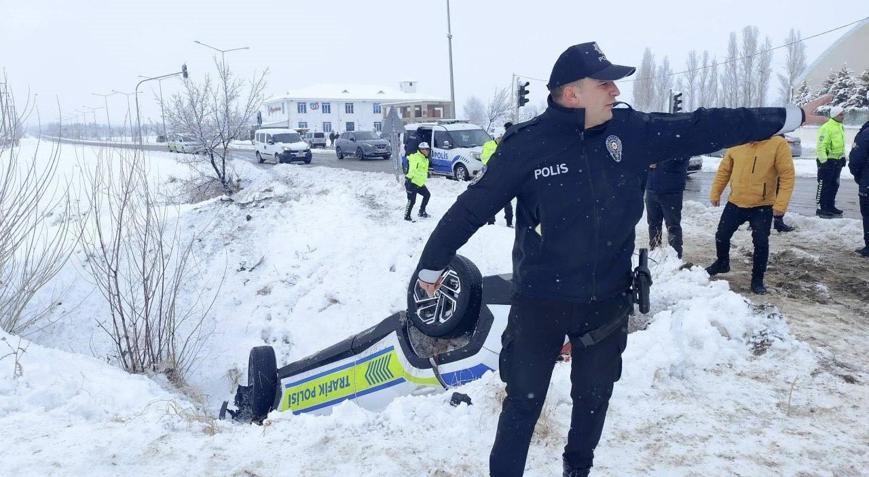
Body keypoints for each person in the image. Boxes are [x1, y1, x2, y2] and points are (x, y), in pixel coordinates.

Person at [411, 41, 827, 477]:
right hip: (540, 304)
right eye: (604, 82)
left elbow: (707, 125)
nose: (615, 90)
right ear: (572, 94)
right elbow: (472, 208)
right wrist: (432, 264)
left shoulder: (630, 132)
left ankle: (577, 470)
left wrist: (790, 116)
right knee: (522, 405)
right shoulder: (526, 145)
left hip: (606, 303)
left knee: (593, 401)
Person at [705, 136, 796, 295]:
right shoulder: (737, 142)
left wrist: (781, 204)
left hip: (762, 205)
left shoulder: (777, 144)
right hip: (735, 202)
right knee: (721, 235)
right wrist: (715, 193)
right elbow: (724, 171)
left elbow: (787, 176)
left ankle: (757, 279)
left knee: (761, 243)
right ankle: (722, 263)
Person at [645, 156, 689, 258]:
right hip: (651, 187)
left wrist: (659, 163)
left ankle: (675, 257)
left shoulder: (679, 140)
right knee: (653, 224)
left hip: (671, 189)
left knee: (672, 226)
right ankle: (655, 254)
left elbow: (683, 157)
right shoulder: (653, 140)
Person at [482, 122, 515, 227]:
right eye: (498, 137)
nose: (500, 139)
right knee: (491, 200)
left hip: (505, 177)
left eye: (501, 137)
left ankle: (509, 222)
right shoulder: (488, 145)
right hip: (492, 177)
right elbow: (484, 159)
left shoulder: (507, 144)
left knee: (507, 202)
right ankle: (491, 221)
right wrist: (496, 159)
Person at [816, 106, 847, 218]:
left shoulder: (840, 127)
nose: (843, 116)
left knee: (834, 185)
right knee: (824, 185)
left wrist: (843, 157)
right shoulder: (827, 127)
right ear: (835, 115)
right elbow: (821, 145)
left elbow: (841, 144)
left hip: (837, 161)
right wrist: (823, 161)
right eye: (841, 114)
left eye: (843, 114)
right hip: (827, 161)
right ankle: (821, 208)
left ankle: (830, 206)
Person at [848, 120, 869, 257]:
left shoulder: (865, 134)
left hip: (867, 182)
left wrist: (860, 177)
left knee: (868, 214)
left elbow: (856, 160)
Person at [404, 142, 432, 221]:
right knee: (412, 201)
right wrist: (409, 179)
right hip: (412, 182)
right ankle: (407, 216)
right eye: (426, 149)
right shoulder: (415, 158)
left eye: (428, 149)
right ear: (421, 150)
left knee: (427, 195)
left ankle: (421, 211)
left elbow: (422, 169)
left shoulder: (425, 158)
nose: (427, 151)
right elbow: (413, 169)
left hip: (419, 183)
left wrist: (427, 174)